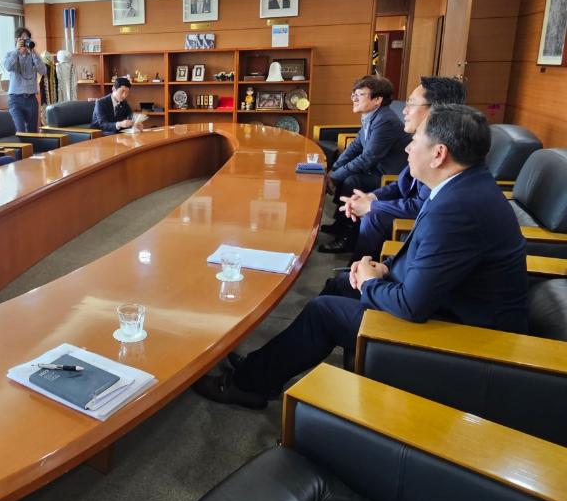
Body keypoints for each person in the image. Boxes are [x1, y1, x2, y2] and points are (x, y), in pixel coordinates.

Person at [194, 104, 528, 409]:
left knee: (324, 312)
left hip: (467, 336)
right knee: (340, 285)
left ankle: (247, 386)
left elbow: (411, 306)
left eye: (415, 142)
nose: (408, 148)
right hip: (447, 302)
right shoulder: (462, 187)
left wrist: (370, 282)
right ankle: (263, 368)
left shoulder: (458, 209)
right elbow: (431, 258)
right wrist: (383, 269)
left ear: (439, 154)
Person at [340, 77, 467, 261]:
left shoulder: (441, 151)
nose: (404, 111)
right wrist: (372, 197)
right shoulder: (423, 140)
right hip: (412, 204)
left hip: (429, 225)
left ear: (436, 110)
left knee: (374, 214)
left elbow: (423, 206)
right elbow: (403, 183)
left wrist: (371, 206)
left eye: (411, 104)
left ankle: (358, 270)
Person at [319, 75, 410, 254]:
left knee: (352, 181)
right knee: (345, 176)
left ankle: (347, 238)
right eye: (354, 94)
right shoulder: (371, 116)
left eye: (360, 95)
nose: (354, 99)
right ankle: (341, 222)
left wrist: (335, 176)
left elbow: (368, 158)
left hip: (391, 178)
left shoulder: (385, 121)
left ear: (377, 100)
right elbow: (355, 147)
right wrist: (334, 170)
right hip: (377, 170)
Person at [4, 26, 46, 133]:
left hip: (31, 99)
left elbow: (43, 71)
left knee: (32, 132)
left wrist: (34, 53)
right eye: (22, 39)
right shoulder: (10, 54)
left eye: (27, 39)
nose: (25, 41)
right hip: (15, 99)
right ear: (16, 40)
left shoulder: (33, 56)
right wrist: (17, 51)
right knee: (20, 130)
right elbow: (8, 67)